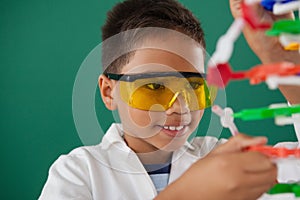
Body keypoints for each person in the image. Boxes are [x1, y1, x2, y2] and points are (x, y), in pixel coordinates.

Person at [39, 0, 282, 199]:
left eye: (194, 86)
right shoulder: (79, 172)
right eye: (154, 86)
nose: (180, 107)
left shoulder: (219, 157)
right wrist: (188, 194)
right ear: (108, 91)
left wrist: (280, 54)